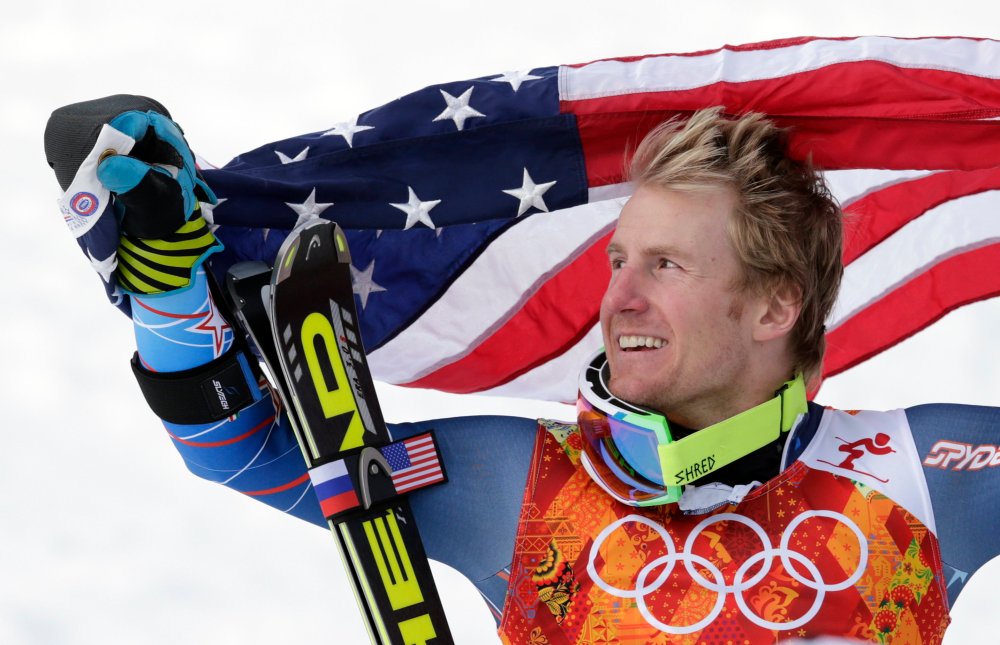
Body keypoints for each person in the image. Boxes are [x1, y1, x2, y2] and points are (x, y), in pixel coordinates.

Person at [45, 99, 1000, 644]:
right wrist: (171, 300)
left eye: (666, 266)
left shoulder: (925, 468)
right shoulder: (521, 481)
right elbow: (241, 452)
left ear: (775, 305)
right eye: (620, 259)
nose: (619, 296)